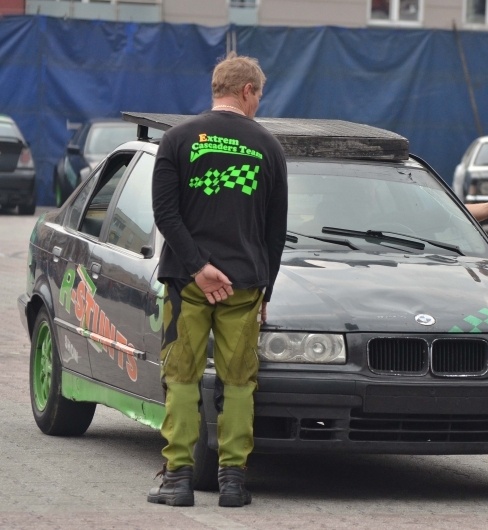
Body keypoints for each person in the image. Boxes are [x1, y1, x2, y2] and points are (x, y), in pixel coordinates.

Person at [149, 52, 288, 508]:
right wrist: (265, 287)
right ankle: (232, 483)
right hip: (244, 285)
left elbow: (165, 214)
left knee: (182, 378)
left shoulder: (178, 138)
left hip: (187, 284)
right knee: (239, 383)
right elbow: (274, 231)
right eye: (259, 95)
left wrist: (197, 267)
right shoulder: (268, 147)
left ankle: (178, 480)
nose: (258, 104)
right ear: (247, 90)